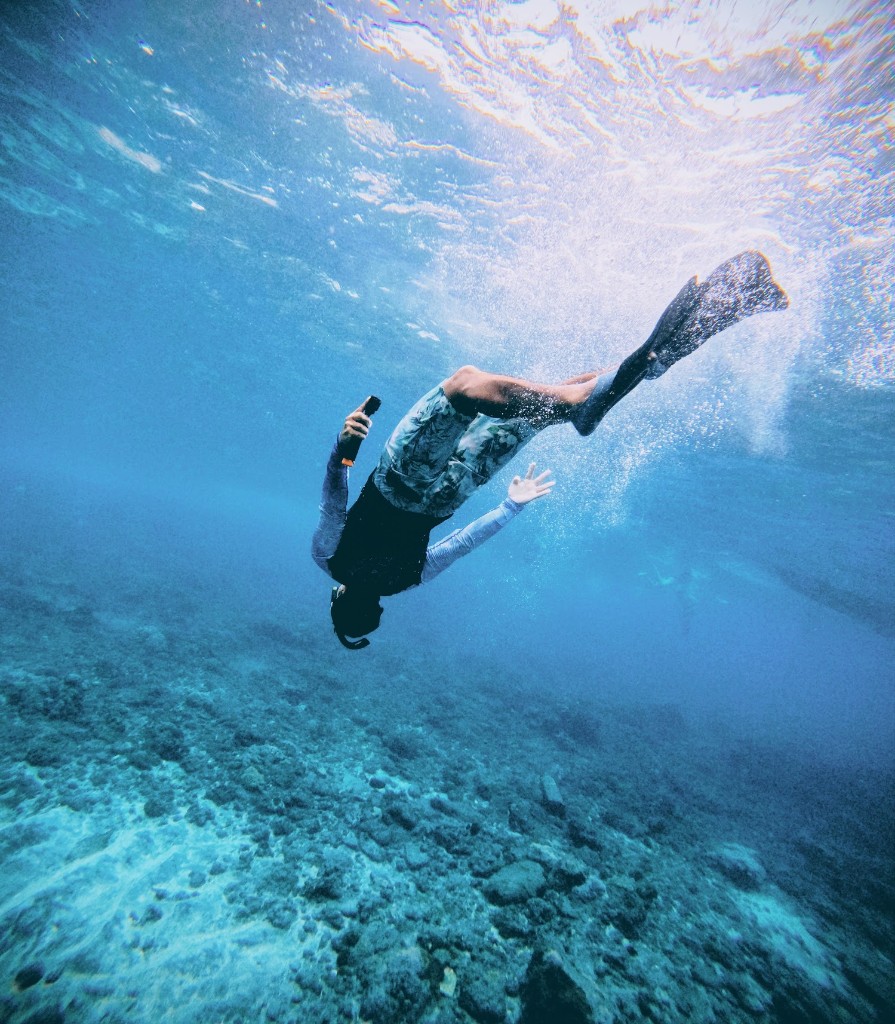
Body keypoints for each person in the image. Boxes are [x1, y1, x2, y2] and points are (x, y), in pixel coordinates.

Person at [312, 251, 788, 649]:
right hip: (403, 480)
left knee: (552, 400)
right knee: (467, 386)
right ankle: (585, 401)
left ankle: (675, 346)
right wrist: (344, 449)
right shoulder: (327, 560)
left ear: (375, 608)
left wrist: (511, 506)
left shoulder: (407, 582)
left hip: (447, 497)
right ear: (338, 599)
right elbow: (334, 502)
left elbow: (462, 543)